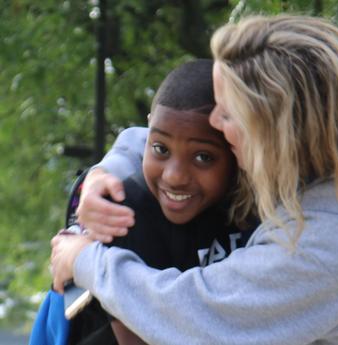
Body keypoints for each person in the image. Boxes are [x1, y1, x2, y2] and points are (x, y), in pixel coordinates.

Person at [51, 15, 338, 344]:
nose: (215, 124)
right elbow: (157, 138)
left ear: (280, 134)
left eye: (228, 114)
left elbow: (196, 315)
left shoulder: (334, 245)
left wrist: (84, 260)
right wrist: (107, 171)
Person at [38, 59, 254, 345]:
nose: (175, 176)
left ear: (237, 149)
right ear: (149, 128)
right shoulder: (122, 210)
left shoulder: (261, 210)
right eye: (160, 149)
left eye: (203, 157)